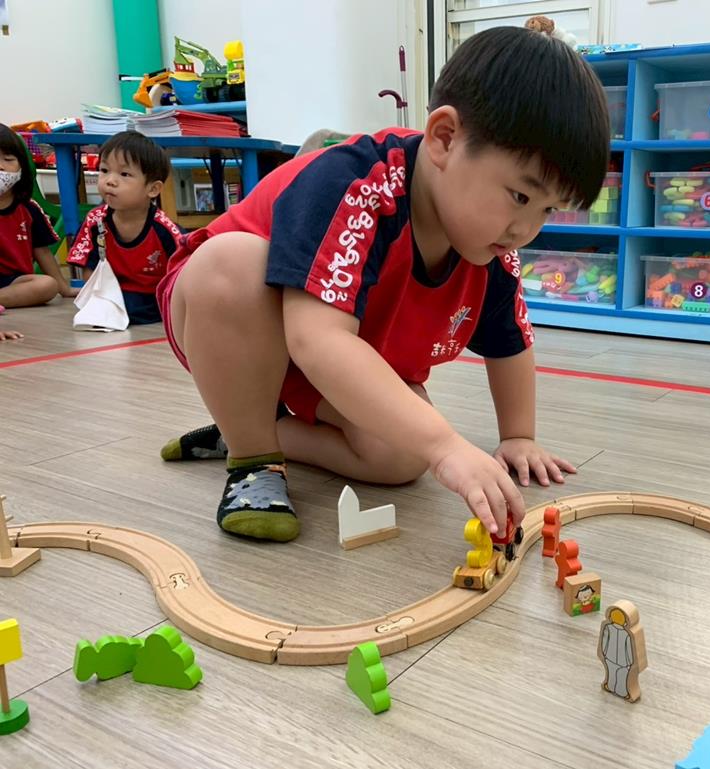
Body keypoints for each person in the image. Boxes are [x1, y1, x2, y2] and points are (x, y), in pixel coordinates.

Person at [157, 26, 610, 543]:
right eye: (520, 197)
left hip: (318, 355)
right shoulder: (356, 184)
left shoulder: (489, 250)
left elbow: (510, 342)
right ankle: (253, 458)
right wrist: (446, 446)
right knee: (233, 261)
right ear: (444, 138)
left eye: (547, 210)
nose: (525, 230)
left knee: (400, 454)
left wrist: (519, 435)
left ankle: (247, 422)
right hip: (228, 322)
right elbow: (316, 339)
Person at [67, 131, 181, 324]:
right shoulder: (96, 220)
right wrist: (99, 298)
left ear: (153, 189)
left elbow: (182, 272)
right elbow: (89, 267)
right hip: (109, 294)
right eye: (104, 170)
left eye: (124, 174)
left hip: (153, 297)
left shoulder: (165, 229)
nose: (110, 181)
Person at [0, 124, 77, 308]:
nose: (0, 167)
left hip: (15, 282)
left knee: (47, 285)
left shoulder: (29, 209)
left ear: (22, 166)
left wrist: (64, 288)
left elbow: (43, 252)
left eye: (8, 159)